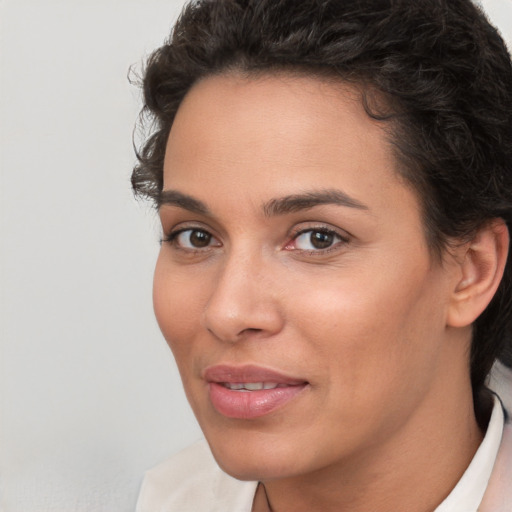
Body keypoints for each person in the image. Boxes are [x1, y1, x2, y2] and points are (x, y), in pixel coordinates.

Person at [132, 0, 512, 510]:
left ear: (472, 270)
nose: (226, 312)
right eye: (196, 236)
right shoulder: (170, 498)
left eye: (317, 238)